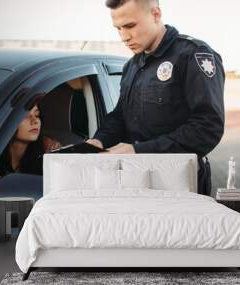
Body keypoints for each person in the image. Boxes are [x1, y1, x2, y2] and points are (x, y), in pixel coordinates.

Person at [87, 0, 225, 196]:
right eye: (118, 29)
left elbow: (207, 128)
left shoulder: (193, 54)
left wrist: (140, 151)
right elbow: (120, 116)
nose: (124, 37)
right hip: (135, 182)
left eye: (130, 26)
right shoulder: (132, 66)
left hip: (180, 185)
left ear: (156, 14)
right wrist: (99, 141)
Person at [0, 104, 60, 188]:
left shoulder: (47, 156)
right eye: (25, 116)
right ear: (7, 121)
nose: (35, 121)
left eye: (37, 115)